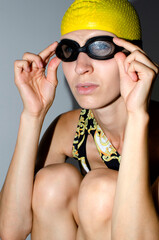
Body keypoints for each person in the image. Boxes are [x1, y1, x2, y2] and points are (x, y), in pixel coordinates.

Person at [0, 0, 158, 239]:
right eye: (70, 51)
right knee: (53, 182)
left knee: (101, 190)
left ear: (133, 55)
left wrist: (137, 117)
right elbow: (11, 230)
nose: (81, 67)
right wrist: (33, 115)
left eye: (100, 48)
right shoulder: (69, 129)